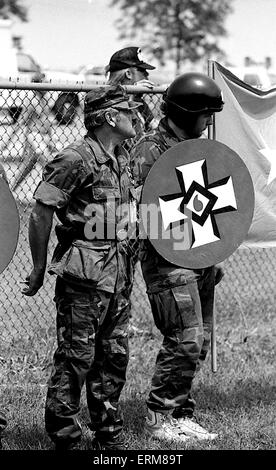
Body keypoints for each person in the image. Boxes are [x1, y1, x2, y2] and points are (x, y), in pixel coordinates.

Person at [22, 85, 141, 451]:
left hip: (118, 274)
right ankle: (66, 437)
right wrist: (40, 268)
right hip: (84, 278)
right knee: (77, 357)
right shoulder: (74, 159)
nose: (135, 116)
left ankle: (109, 435)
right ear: (109, 117)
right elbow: (41, 213)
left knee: (114, 356)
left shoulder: (121, 156)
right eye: (128, 111)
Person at [130, 73, 225, 443]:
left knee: (199, 342)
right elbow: (137, 213)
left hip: (200, 257)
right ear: (187, 112)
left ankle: (181, 412)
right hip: (167, 260)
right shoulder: (150, 150)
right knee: (184, 338)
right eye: (206, 114)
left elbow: (212, 202)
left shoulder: (197, 146)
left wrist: (213, 252)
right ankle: (160, 419)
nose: (209, 122)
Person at [0, 71, 54, 192]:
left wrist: (50, 139)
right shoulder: (32, 101)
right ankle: (55, 191)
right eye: (45, 83)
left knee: (27, 167)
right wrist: (8, 141)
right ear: (38, 85)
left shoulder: (44, 100)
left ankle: (9, 191)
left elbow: (47, 122)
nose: (48, 85)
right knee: (48, 165)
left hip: (43, 137)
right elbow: (20, 122)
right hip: (35, 136)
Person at [106, 46, 156, 139]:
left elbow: (155, 128)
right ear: (128, 74)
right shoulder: (106, 101)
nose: (147, 74)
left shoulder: (139, 102)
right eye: (142, 70)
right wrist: (131, 95)